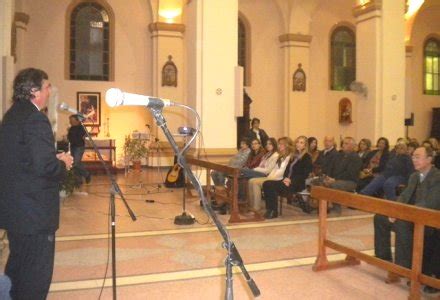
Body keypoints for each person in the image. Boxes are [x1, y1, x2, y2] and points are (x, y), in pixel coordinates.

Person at [0, 68, 73, 299]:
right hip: (35, 215)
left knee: (18, 267)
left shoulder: (11, 116)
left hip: (15, 211)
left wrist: (52, 159)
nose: (49, 91)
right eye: (47, 86)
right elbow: (46, 168)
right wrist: (63, 164)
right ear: (34, 91)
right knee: (35, 277)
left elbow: (23, 161)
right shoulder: (35, 118)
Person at [374, 146, 440, 293]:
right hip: (410, 215)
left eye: (418, 156)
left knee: (402, 223)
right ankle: (384, 258)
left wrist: (403, 214)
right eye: (413, 156)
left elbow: (430, 204)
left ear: (429, 159)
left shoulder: (437, 177)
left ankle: (403, 268)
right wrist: (395, 210)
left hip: (428, 220)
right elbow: (404, 196)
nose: (414, 159)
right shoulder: (414, 176)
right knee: (380, 218)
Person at [262, 136, 313, 219]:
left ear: (305, 145)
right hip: (286, 181)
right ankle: (270, 209)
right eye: (297, 142)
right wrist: (285, 178)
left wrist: (290, 180)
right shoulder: (294, 156)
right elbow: (286, 170)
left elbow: (305, 174)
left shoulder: (307, 157)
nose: (298, 144)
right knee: (266, 183)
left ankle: (273, 211)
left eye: (301, 142)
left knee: (270, 185)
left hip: (297, 183)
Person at [248, 137, 293, 212]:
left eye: (281, 144)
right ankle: (252, 206)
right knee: (251, 181)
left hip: (278, 178)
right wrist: (269, 176)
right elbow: (274, 170)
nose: (279, 146)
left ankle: (256, 207)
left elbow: (283, 171)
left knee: (255, 182)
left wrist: (270, 177)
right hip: (272, 176)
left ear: (287, 145)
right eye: (279, 144)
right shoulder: (281, 156)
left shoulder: (289, 157)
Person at [322, 137, 363, 213]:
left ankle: (337, 208)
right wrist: (328, 177)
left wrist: (334, 179)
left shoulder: (356, 158)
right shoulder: (339, 155)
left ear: (353, 146)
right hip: (336, 179)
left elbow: (349, 174)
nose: (343, 145)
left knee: (335, 185)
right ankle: (322, 207)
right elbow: (331, 167)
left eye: (346, 143)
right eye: (343, 143)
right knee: (320, 182)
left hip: (350, 181)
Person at [67, 114, 91, 184]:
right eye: (70, 120)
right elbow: (69, 137)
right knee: (76, 163)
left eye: (72, 120)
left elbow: (83, 137)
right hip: (73, 147)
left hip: (79, 147)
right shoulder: (71, 128)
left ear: (77, 121)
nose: (70, 122)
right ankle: (79, 180)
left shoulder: (81, 128)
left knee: (76, 163)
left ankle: (86, 174)